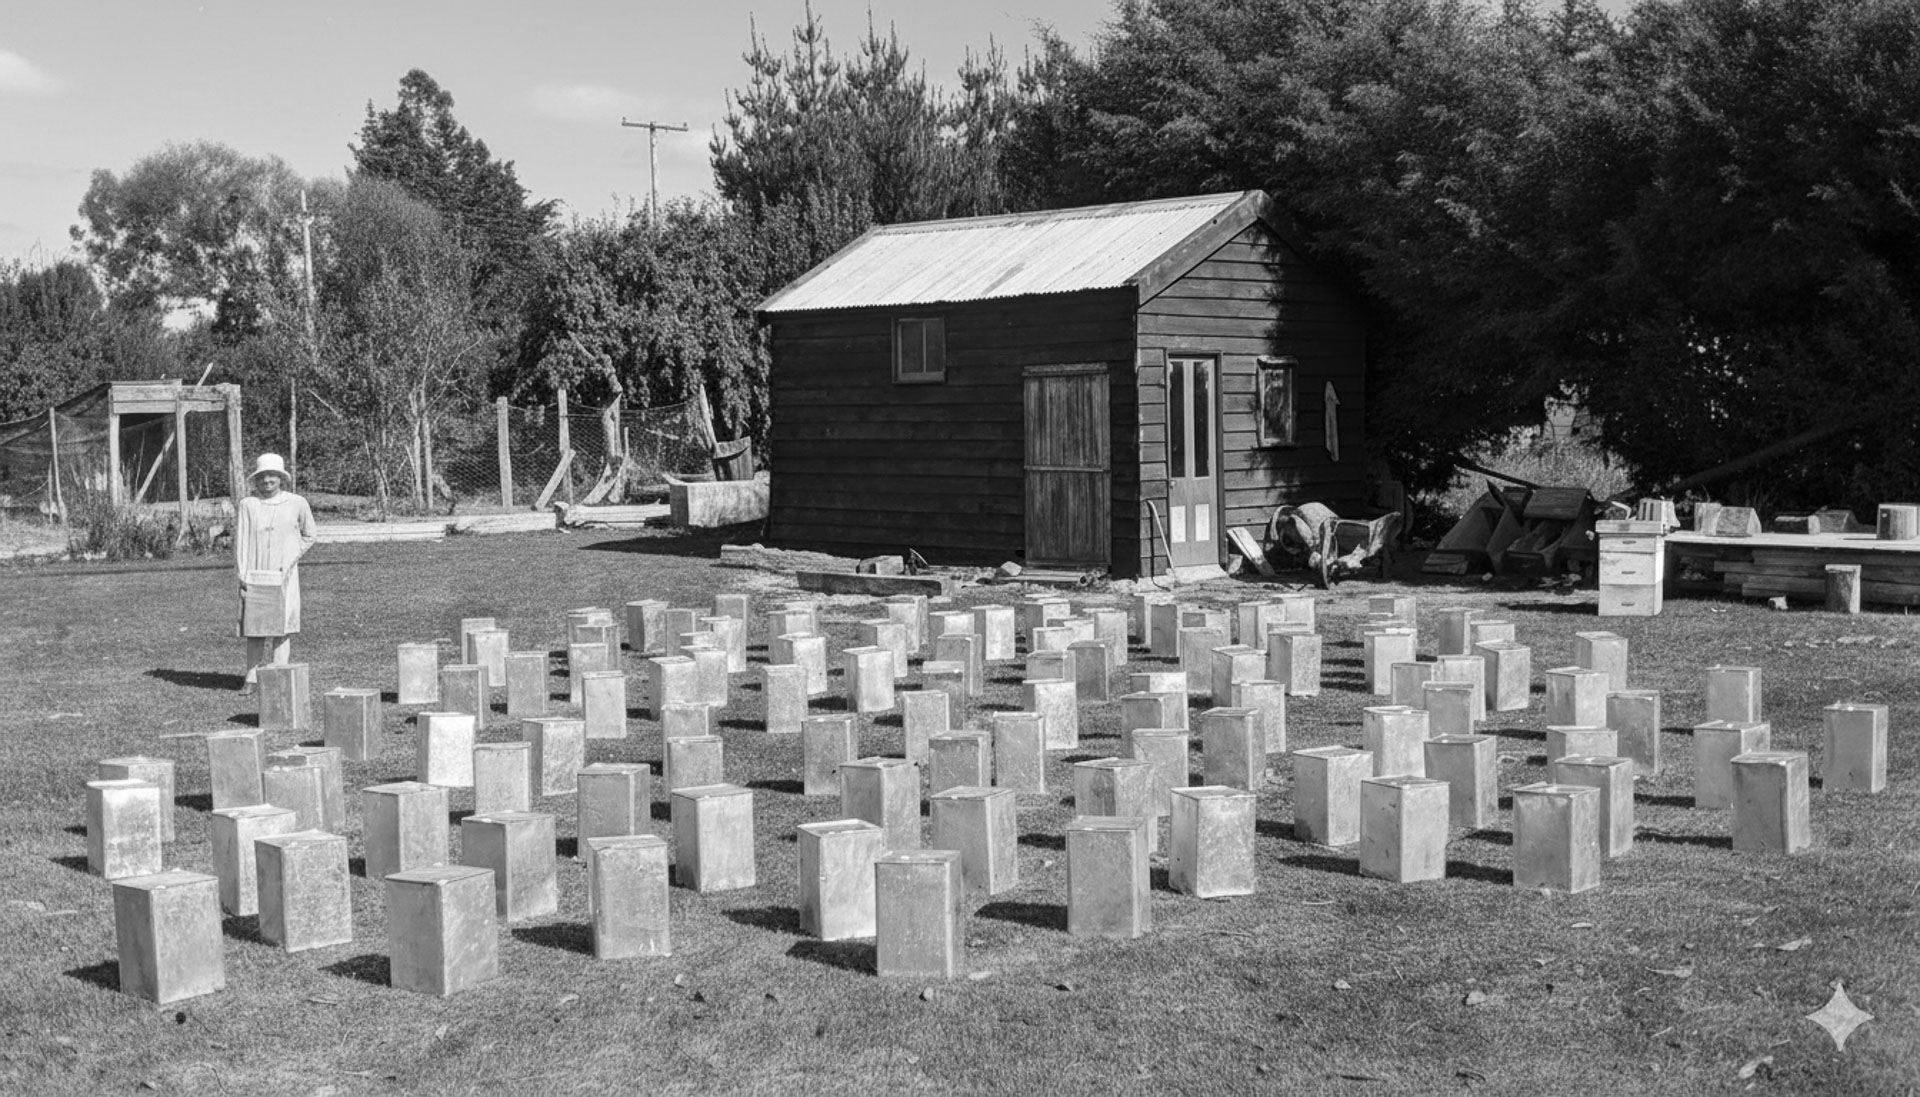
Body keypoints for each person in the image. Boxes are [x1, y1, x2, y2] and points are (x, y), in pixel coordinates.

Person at [234, 453, 317, 692]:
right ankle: (251, 677)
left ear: (281, 478)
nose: (267, 480)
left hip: (285, 576)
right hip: (256, 573)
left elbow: (309, 535)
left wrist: (290, 558)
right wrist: (243, 573)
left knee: (283, 627)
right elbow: (242, 541)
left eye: (272, 475)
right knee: (255, 627)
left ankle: (277, 675)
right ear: (256, 480)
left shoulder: (297, 503)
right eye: (262, 476)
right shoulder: (248, 505)